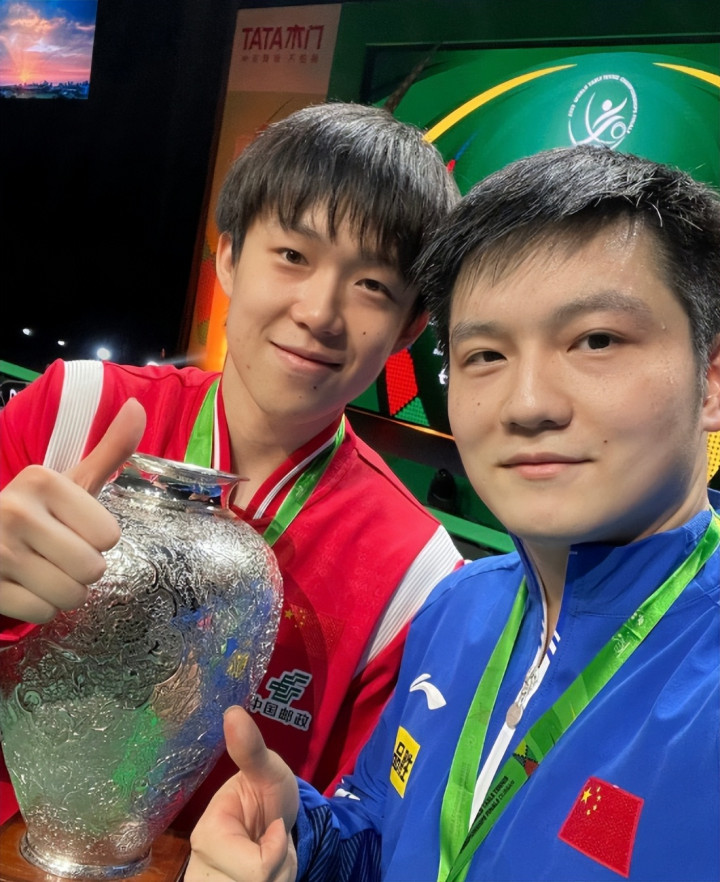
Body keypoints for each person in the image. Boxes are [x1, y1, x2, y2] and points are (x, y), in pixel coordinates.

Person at [186, 145, 720, 882]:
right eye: (485, 355)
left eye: (595, 340)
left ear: (710, 376)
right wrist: (300, 840)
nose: (527, 404)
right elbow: (382, 832)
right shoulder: (461, 606)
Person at [0, 102, 463, 829]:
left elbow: (359, 825)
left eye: (373, 284)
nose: (320, 312)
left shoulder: (415, 573)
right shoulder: (71, 412)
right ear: (229, 259)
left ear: (410, 326)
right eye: (293, 256)